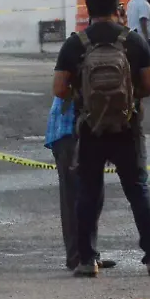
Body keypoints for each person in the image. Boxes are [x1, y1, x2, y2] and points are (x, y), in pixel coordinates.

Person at [54, 0, 150, 278]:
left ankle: (87, 260)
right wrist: (127, 96)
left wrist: (85, 94)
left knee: (88, 192)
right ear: (117, 6)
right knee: (137, 190)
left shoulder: (77, 43)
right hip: (127, 127)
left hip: (91, 128)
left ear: (88, 8)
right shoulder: (133, 41)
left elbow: (59, 88)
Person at [44, 96, 112, 271]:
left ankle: (89, 253)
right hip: (70, 130)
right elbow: (60, 87)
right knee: (74, 196)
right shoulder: (72, 67)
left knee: (94, 195)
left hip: (93, 128)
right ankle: (77, 256)